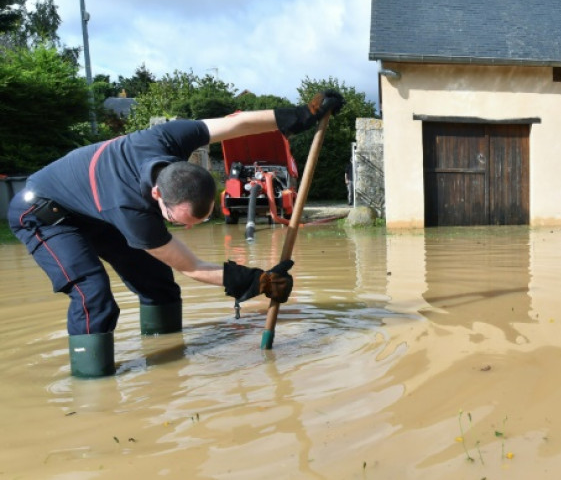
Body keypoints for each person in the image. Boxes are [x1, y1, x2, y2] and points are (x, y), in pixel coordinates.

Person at [7, 90, 346, 377]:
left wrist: (304, 114)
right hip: (44, 214)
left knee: (158, 283)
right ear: (157, 196)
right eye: (178, 220)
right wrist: (259, 281)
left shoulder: (167, 138)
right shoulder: (130, 211)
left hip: (92, 208)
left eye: (196, 222)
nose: (185, 228)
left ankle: (164, 360)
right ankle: (92, 384)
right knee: (92, 294)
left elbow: (235, 124)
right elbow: (192, 266)